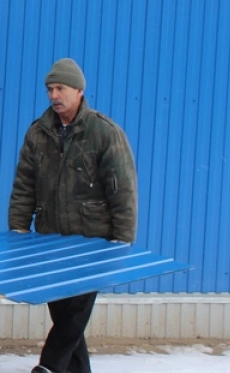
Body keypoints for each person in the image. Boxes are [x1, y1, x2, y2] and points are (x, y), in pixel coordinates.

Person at [8, 58, 138, 373]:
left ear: (79, 91)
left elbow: (122, 192)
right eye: (50, 89)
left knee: (74, 316)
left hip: (91, 244)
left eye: (60, 88)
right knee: (66, 318)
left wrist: (121, 240)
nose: (54, 95)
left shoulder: (104, 133)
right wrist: (18, 229)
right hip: (51, 241)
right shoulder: (38, 133)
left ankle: (47, 367)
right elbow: (25, 184)